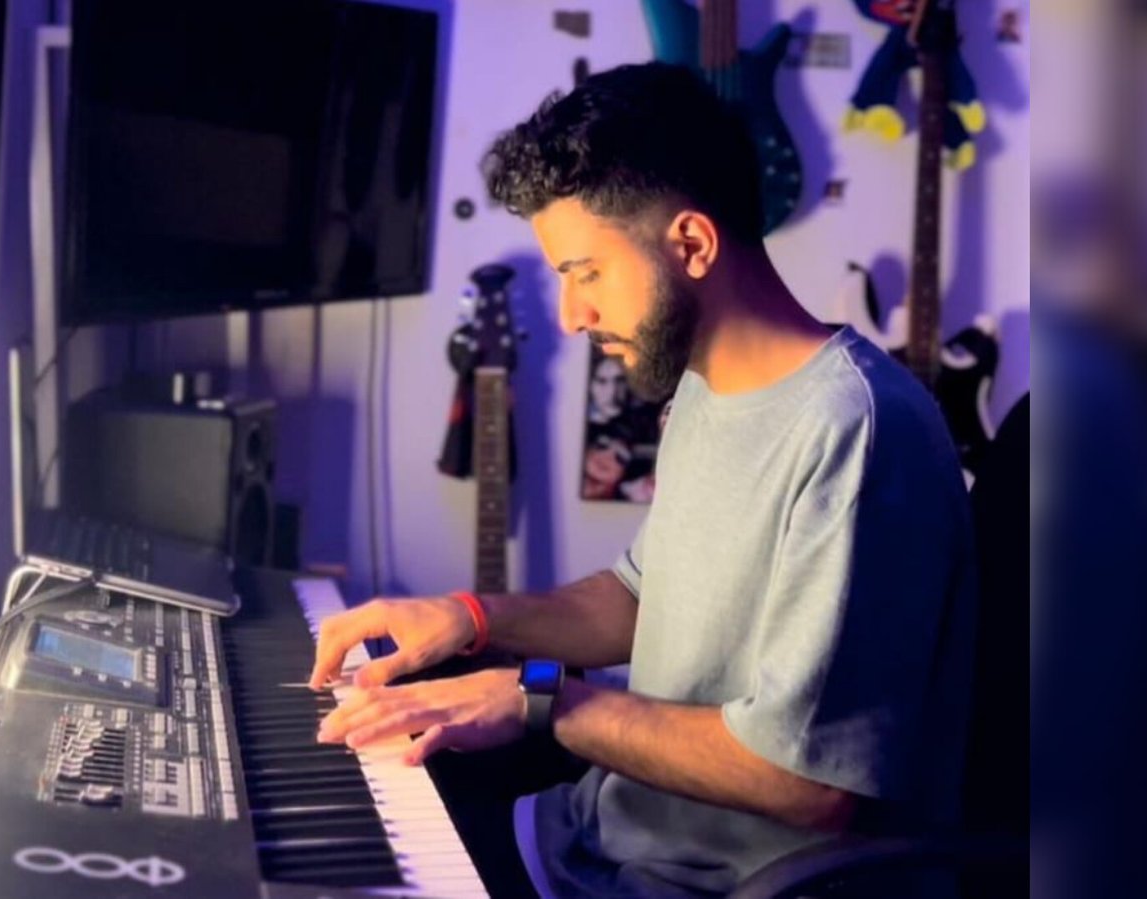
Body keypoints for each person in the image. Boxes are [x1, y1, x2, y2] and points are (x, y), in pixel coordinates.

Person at [308, 62, 976, 898]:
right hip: (597, 836)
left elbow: (810, 783)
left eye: (585, 271)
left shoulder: (857, 430)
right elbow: (640, 598)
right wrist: (470, 617)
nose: (571, 316)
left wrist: (541, 698)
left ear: (691, 245)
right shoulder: (704, 384)